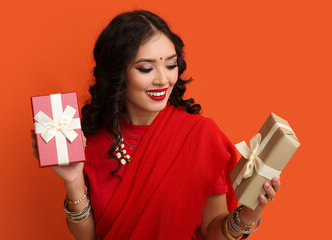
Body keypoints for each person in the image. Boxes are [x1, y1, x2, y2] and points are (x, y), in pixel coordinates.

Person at [31, 10, 281, 240]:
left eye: (171, 65)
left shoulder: (200, 136)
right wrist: (73, 179)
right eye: (146, 68)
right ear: (117, 73)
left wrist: (247, 216)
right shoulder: (91, 142)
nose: (163, 79)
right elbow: (89, 237)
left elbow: (211, 231)